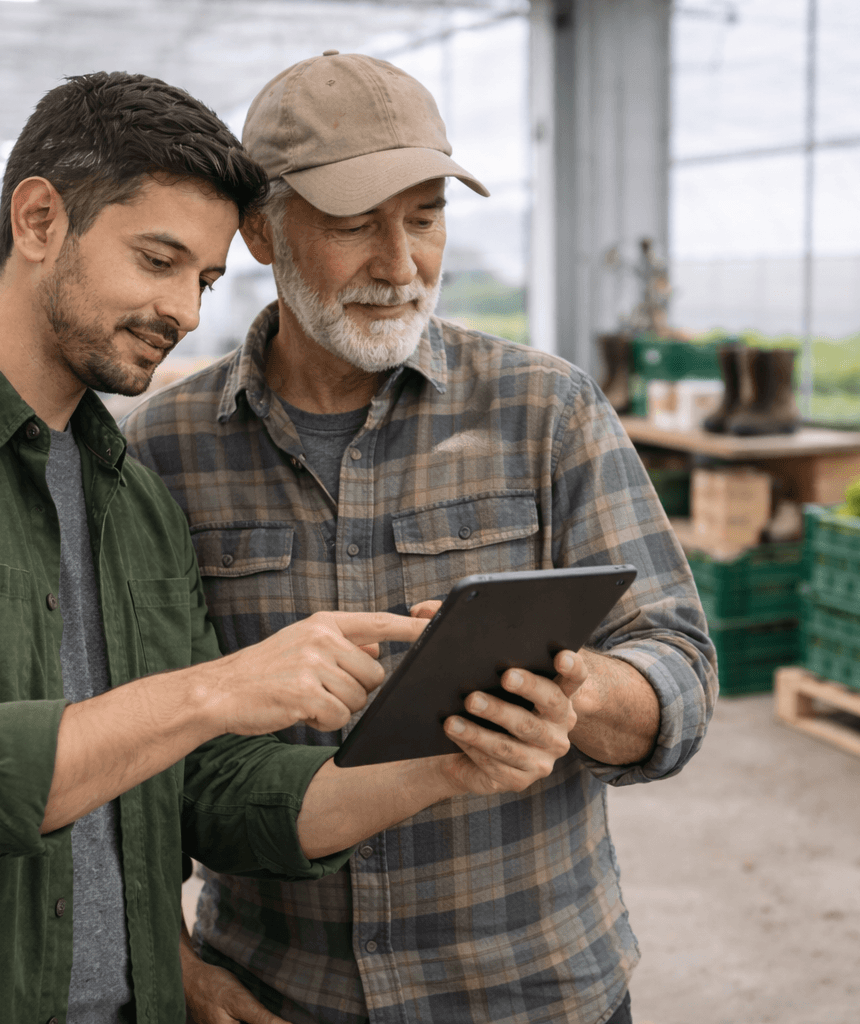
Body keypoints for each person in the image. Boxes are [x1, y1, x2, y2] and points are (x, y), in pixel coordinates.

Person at [0, 71, 578, 1024]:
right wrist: (217, 689)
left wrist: (449, 763)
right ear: (37, 220)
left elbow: (208, 791)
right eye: (157, 260)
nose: (185, 311)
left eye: (205, 280)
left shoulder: (134, 495)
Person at [123, 52, 716, 1024]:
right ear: (262, 229)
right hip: (282, 993)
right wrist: (171, 958)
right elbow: (132, 752)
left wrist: (579, 694)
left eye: (426, 218)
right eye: (354, 224)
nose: (400, 265)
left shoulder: (545, 410)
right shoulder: (164, 449)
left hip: (532, 990)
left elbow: (681, 668)